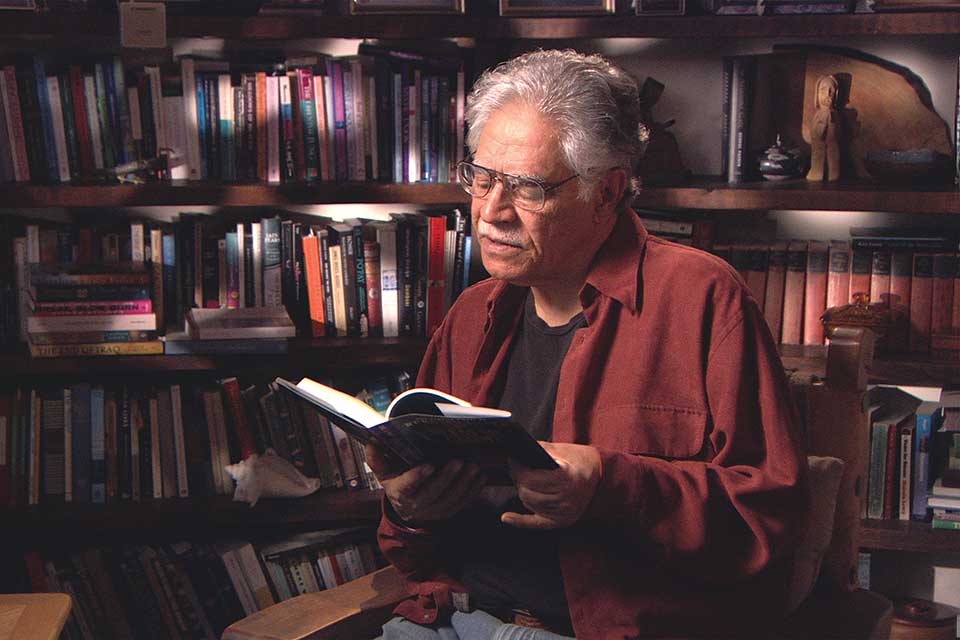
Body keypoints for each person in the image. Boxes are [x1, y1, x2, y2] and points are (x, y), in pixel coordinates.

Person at [366, 49, 807, 640]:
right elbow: (413, 555)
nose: (492, 213)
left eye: (527, 189)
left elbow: (766, 524)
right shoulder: (472, 315)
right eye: (483, 178)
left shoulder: (702, 298)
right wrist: (409, 510)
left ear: (607, 192)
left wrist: (610, 485)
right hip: (449, 620)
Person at [807, 74, 841, 181]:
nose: (828, 94)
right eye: (823, 90)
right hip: (820, 154)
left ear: (836, 94)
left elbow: (831, 134)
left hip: (831, 154)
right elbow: (817, 135)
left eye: (831, 90)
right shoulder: (820, 113)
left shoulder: (832, 113)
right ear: (817, 94)